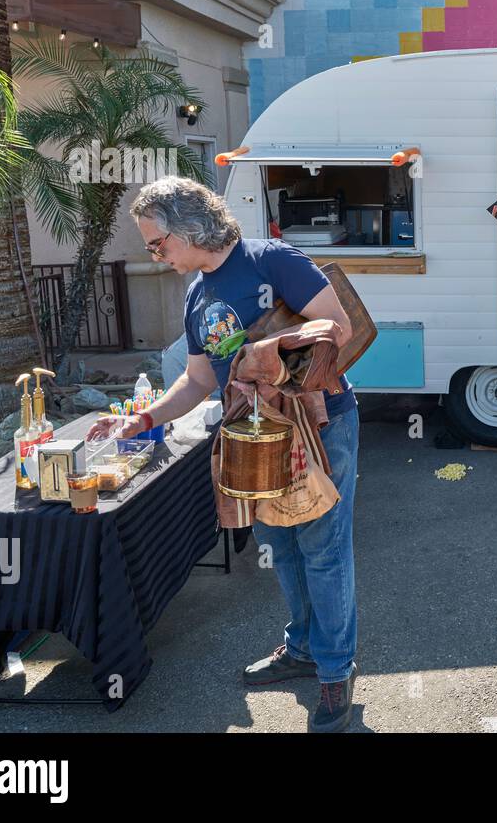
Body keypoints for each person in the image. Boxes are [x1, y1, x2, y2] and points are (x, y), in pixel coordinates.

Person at [86, 177, 360, 733]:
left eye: (156, 243)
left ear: (190, 227)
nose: (154, 254)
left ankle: (335, 669)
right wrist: (143, 419)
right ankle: (302, 648)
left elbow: (344, 331)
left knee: (322, 548)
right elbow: (195, 381)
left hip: (316, 426)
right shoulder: (195, 293)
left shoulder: (271, 259)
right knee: (280, 545)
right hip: (254, 435)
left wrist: (269, 360)